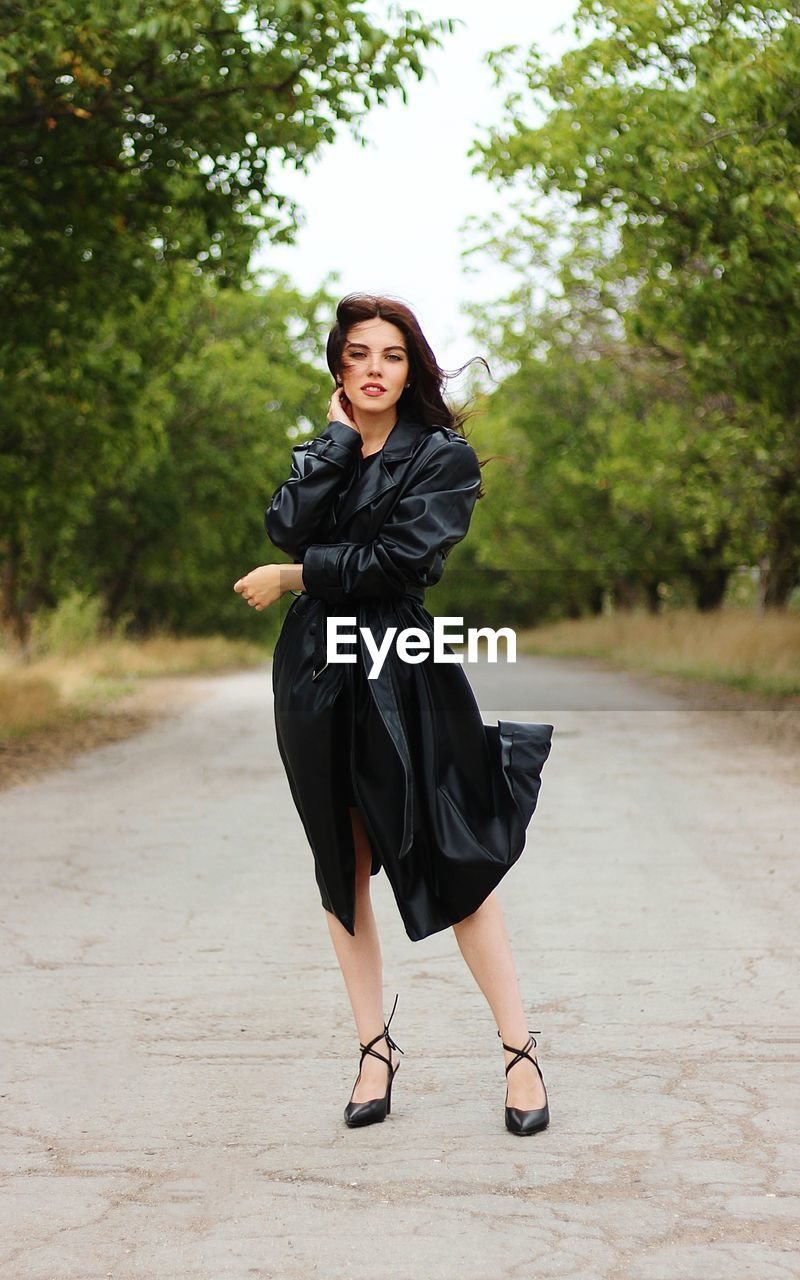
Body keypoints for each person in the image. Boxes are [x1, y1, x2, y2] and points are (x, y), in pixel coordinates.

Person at [233, 293, 553, 1135]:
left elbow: (400, 561)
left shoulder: (443, 457)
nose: (375, 369)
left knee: (453, 849)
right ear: (340, 368)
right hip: (311, 675)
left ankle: (520, 1055)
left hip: (399, 669)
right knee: (341, 863)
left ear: (412, 368)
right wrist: (334, 444)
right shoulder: (324, 449)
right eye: (360, 355)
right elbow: (284, 525)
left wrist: (298, 577)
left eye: (393, 355)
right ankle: (373, 1049)